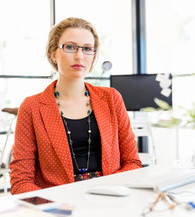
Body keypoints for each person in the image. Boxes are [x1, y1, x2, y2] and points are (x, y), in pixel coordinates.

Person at [9, 17, 142, 194]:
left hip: (111, 198)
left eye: (87, 49)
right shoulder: (32, 107)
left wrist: (110, 192)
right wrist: (55, 207)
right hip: (59, 204)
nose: (79, 56)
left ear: (93, 56)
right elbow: (21, 181)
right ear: (53, 54)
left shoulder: (111, 98)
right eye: (70, 47)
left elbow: (132, 163)